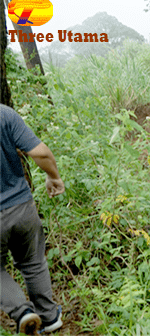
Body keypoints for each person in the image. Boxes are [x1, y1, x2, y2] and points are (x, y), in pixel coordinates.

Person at [1, 105, 65, 335]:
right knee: (33, 262)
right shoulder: (4, 114)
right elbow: (41, 153)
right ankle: (49, 317)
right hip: (22, 207)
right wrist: (53, 176)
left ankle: (22, 313)